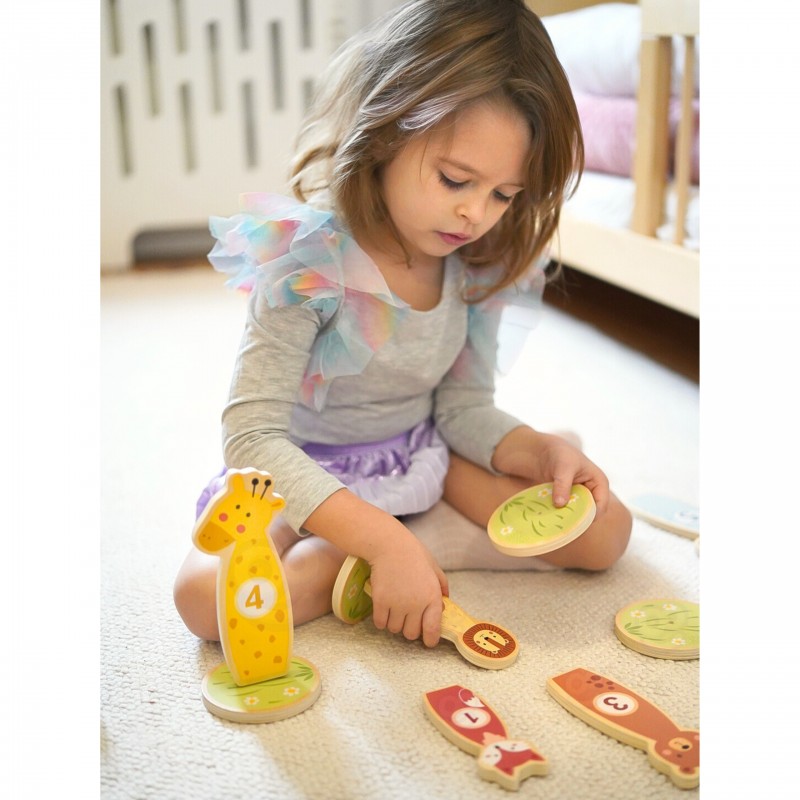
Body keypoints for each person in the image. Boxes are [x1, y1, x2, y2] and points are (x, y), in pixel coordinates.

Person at [173, 0, 632, 650]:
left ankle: (409, 540)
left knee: (606, 531)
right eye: (455, 179)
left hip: (420, 451)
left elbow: (462, 407)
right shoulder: (309, 257)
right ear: (387, 131)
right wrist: (379, 538)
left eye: (504, 195)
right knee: (205, 601)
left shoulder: (476, 261)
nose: (476, 213)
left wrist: (534, 450)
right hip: (305, 472)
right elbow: (251, 437)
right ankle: (387, 545)